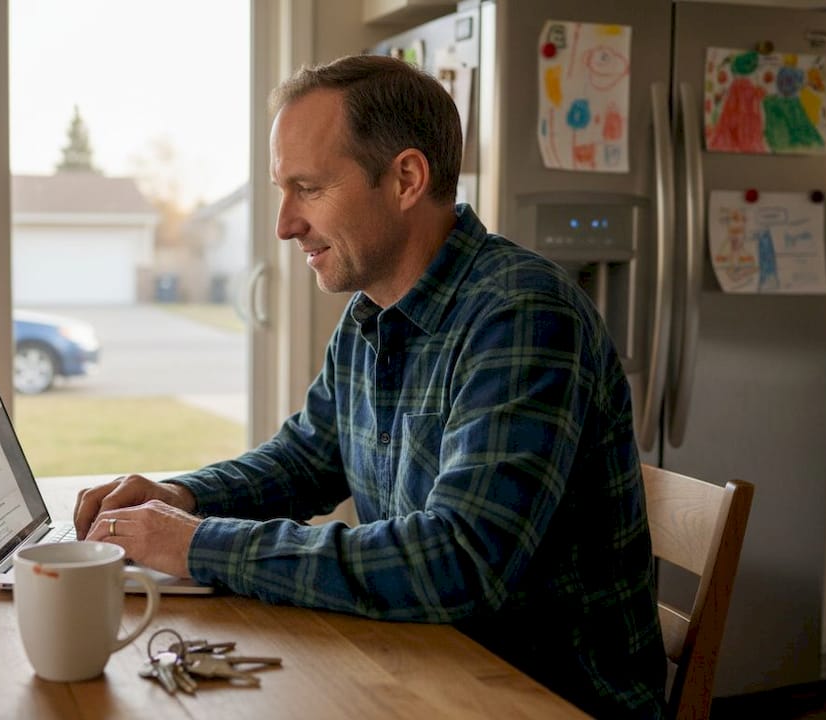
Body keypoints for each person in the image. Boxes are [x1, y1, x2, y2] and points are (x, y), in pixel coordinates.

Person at [75, 54, 666, 718]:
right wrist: (181, 494)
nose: (285, 224)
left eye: (309, 188)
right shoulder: (371, 314)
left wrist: (196, 544)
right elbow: (305, 460)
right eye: (281, 189)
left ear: (407, 178)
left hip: (543, 696)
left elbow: (461, 560)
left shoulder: (522, 315)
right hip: (423, 663)